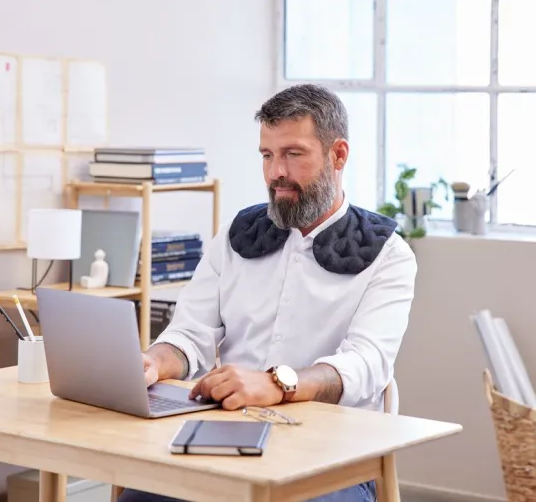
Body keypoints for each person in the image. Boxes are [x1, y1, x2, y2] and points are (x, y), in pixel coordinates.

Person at [119, 84, 418, 502]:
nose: (277, 171)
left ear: (338, 155)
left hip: (333, 455)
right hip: (225, 438)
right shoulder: (236, 235)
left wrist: (277, 384)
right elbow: (189, 334)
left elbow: (366, 364)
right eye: (267, 155)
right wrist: (155, 361)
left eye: (293, 154)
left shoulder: (388, 254)